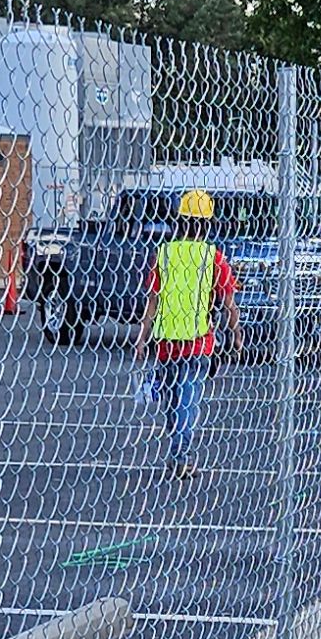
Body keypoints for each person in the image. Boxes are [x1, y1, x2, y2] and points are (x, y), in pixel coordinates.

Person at [141, 185, 236, 475]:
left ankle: (176, 451)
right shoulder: (213, 257)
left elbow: (153, 299)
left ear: (179, 221)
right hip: (198, 341)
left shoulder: (165, 253)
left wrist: (141, 336)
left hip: (166, 342)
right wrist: (236, 334)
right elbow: (229, 301)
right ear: (208, 224)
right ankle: (181, 457)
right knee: (187, 400)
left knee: (173, 402)